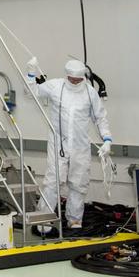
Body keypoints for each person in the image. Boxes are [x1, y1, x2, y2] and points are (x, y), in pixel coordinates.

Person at [24, 57, 112, 232]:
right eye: (71, 78)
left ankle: (74, 219)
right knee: (52, 181)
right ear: (67, 76)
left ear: (83, 78)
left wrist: (107, 139)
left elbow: (100, 117)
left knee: (79, 183)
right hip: (58, 145)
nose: (74, 82)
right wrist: (31, 72)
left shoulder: (89, 93)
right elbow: (31, 92)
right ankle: (44, 218)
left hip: (80, 146)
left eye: (77, 79)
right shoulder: (56, 86)